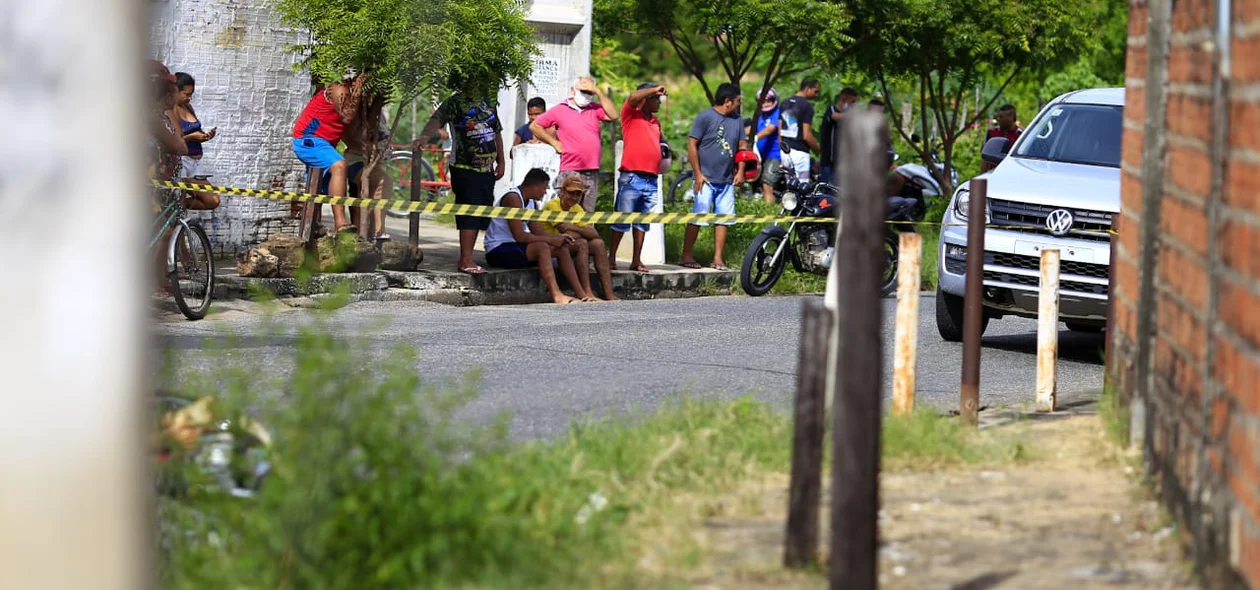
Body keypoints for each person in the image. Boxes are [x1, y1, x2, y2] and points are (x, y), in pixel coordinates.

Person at [419, 90, 506, 274]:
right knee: (469, 213)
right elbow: (436, 120)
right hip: (465, 167)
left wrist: (502, 161)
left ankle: (470, 257)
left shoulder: (488, 100)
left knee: (481, 214)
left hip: (487, 169)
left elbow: (496, 131)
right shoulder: (455, 102)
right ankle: (465, 260)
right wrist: (424, 137)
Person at [483, 168, 584, 305]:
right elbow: (520, 236)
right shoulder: (513, 198)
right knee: (542, 247)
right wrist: (551, 239)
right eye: (544, 188)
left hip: (516, 247)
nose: (545, 192)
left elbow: (539, 233)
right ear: (535, 186)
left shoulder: (531, 202)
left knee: (561, 248)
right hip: (498, 249)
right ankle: (556, 294)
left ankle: (582, 294)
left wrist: (560, 238)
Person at [679, 83, 746, 271]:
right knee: (699, 215)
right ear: (727, 101)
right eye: (738, 101)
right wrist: (698, 174)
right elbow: (692, 144)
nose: (739, 104)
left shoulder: (737, 120)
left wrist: (740, 171)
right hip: (705, 178)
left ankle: (718, 258)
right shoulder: (705, 117)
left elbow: (742, 147)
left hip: (726, 180)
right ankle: (686, 255)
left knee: (723, 218)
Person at [530, 76, 618, 213]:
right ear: (573, 90)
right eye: (584, 91)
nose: (587, 95)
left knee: (587, 215)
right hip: (571, 169)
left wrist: (599, 92)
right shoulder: (559, 109)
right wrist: (554, 142)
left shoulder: (594, 109)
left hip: (591, 170)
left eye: (590, 93)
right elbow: (535, 126)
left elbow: (613, 115)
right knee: (565, 212)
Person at [609, 82, 667, 274]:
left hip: (650, 179)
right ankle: (611, 258)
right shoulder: (631, 115)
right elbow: (632, 97)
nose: (659, 102)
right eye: (655, 99)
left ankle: (636, 260)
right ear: (645, 99)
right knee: (621, 220)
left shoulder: (656, 123)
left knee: (642, 222)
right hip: (632, 177)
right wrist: (654, 88)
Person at [291, 74, 361, 233]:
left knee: (320, 186)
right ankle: (341, 223)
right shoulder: (339, 89)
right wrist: (358, 90)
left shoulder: (358, 97)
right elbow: (347, 117)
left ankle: (314, 228)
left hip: (325, 144)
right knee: (339, 165)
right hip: (308, 139)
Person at [538, 174, 619, 301]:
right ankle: (586, 292)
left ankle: (609, 293)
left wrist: (574, 228)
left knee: (598, 244)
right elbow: (564, 231)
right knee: (582, 243)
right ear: (563, 192)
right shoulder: (553, 205)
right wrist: (580, 231)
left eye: (578, 194)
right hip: (552, 247)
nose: (574, 197)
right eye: (571, 193)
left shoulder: (577, 208)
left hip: (567, 244)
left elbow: (593, 234)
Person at [172, 73, 216, 179]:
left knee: (201, 194)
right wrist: (193, 136)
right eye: (186, 94)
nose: (189, 98)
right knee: (211, 196)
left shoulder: (188, 107)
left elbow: (196, 132)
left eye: (191, 94)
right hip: (183, 161)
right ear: (176, 91)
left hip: (196, 163)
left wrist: (204, 136)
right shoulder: (172, 110)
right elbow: (176, 140)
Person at [779, 79, 821, 182]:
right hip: (800, 153)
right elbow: (807, 135)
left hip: (785, 152)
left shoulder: (784, 103)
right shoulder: (807, 106)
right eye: (815, 91)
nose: (816, 94)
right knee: (802, 187)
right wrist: (820, 149)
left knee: (790, 186)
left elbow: (779, 129)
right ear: (807, 88)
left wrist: (781, 147)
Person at [819, 87, 859, 185]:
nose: (854, 105)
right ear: (844, 99)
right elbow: (834, 116)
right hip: (829, 161)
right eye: (852, 102)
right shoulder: (831, 110)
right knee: (828, 192)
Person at [752, 87, 782, 203]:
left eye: (768, 101)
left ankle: (770, 214)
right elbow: (753, 128)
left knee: (767, 183)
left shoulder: (776, 113)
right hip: (760, 156)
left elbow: (770, 129)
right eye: (763, 101)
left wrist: (756, 137)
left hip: (774, 156)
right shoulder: (760, 115)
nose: (765, 103)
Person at [982, 104, 1022, 172]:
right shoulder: (992, 132)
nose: (998, 119)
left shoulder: (1021, 135)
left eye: (1001, 117)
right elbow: (985, 158)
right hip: (993, 172)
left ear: (1011, 117)